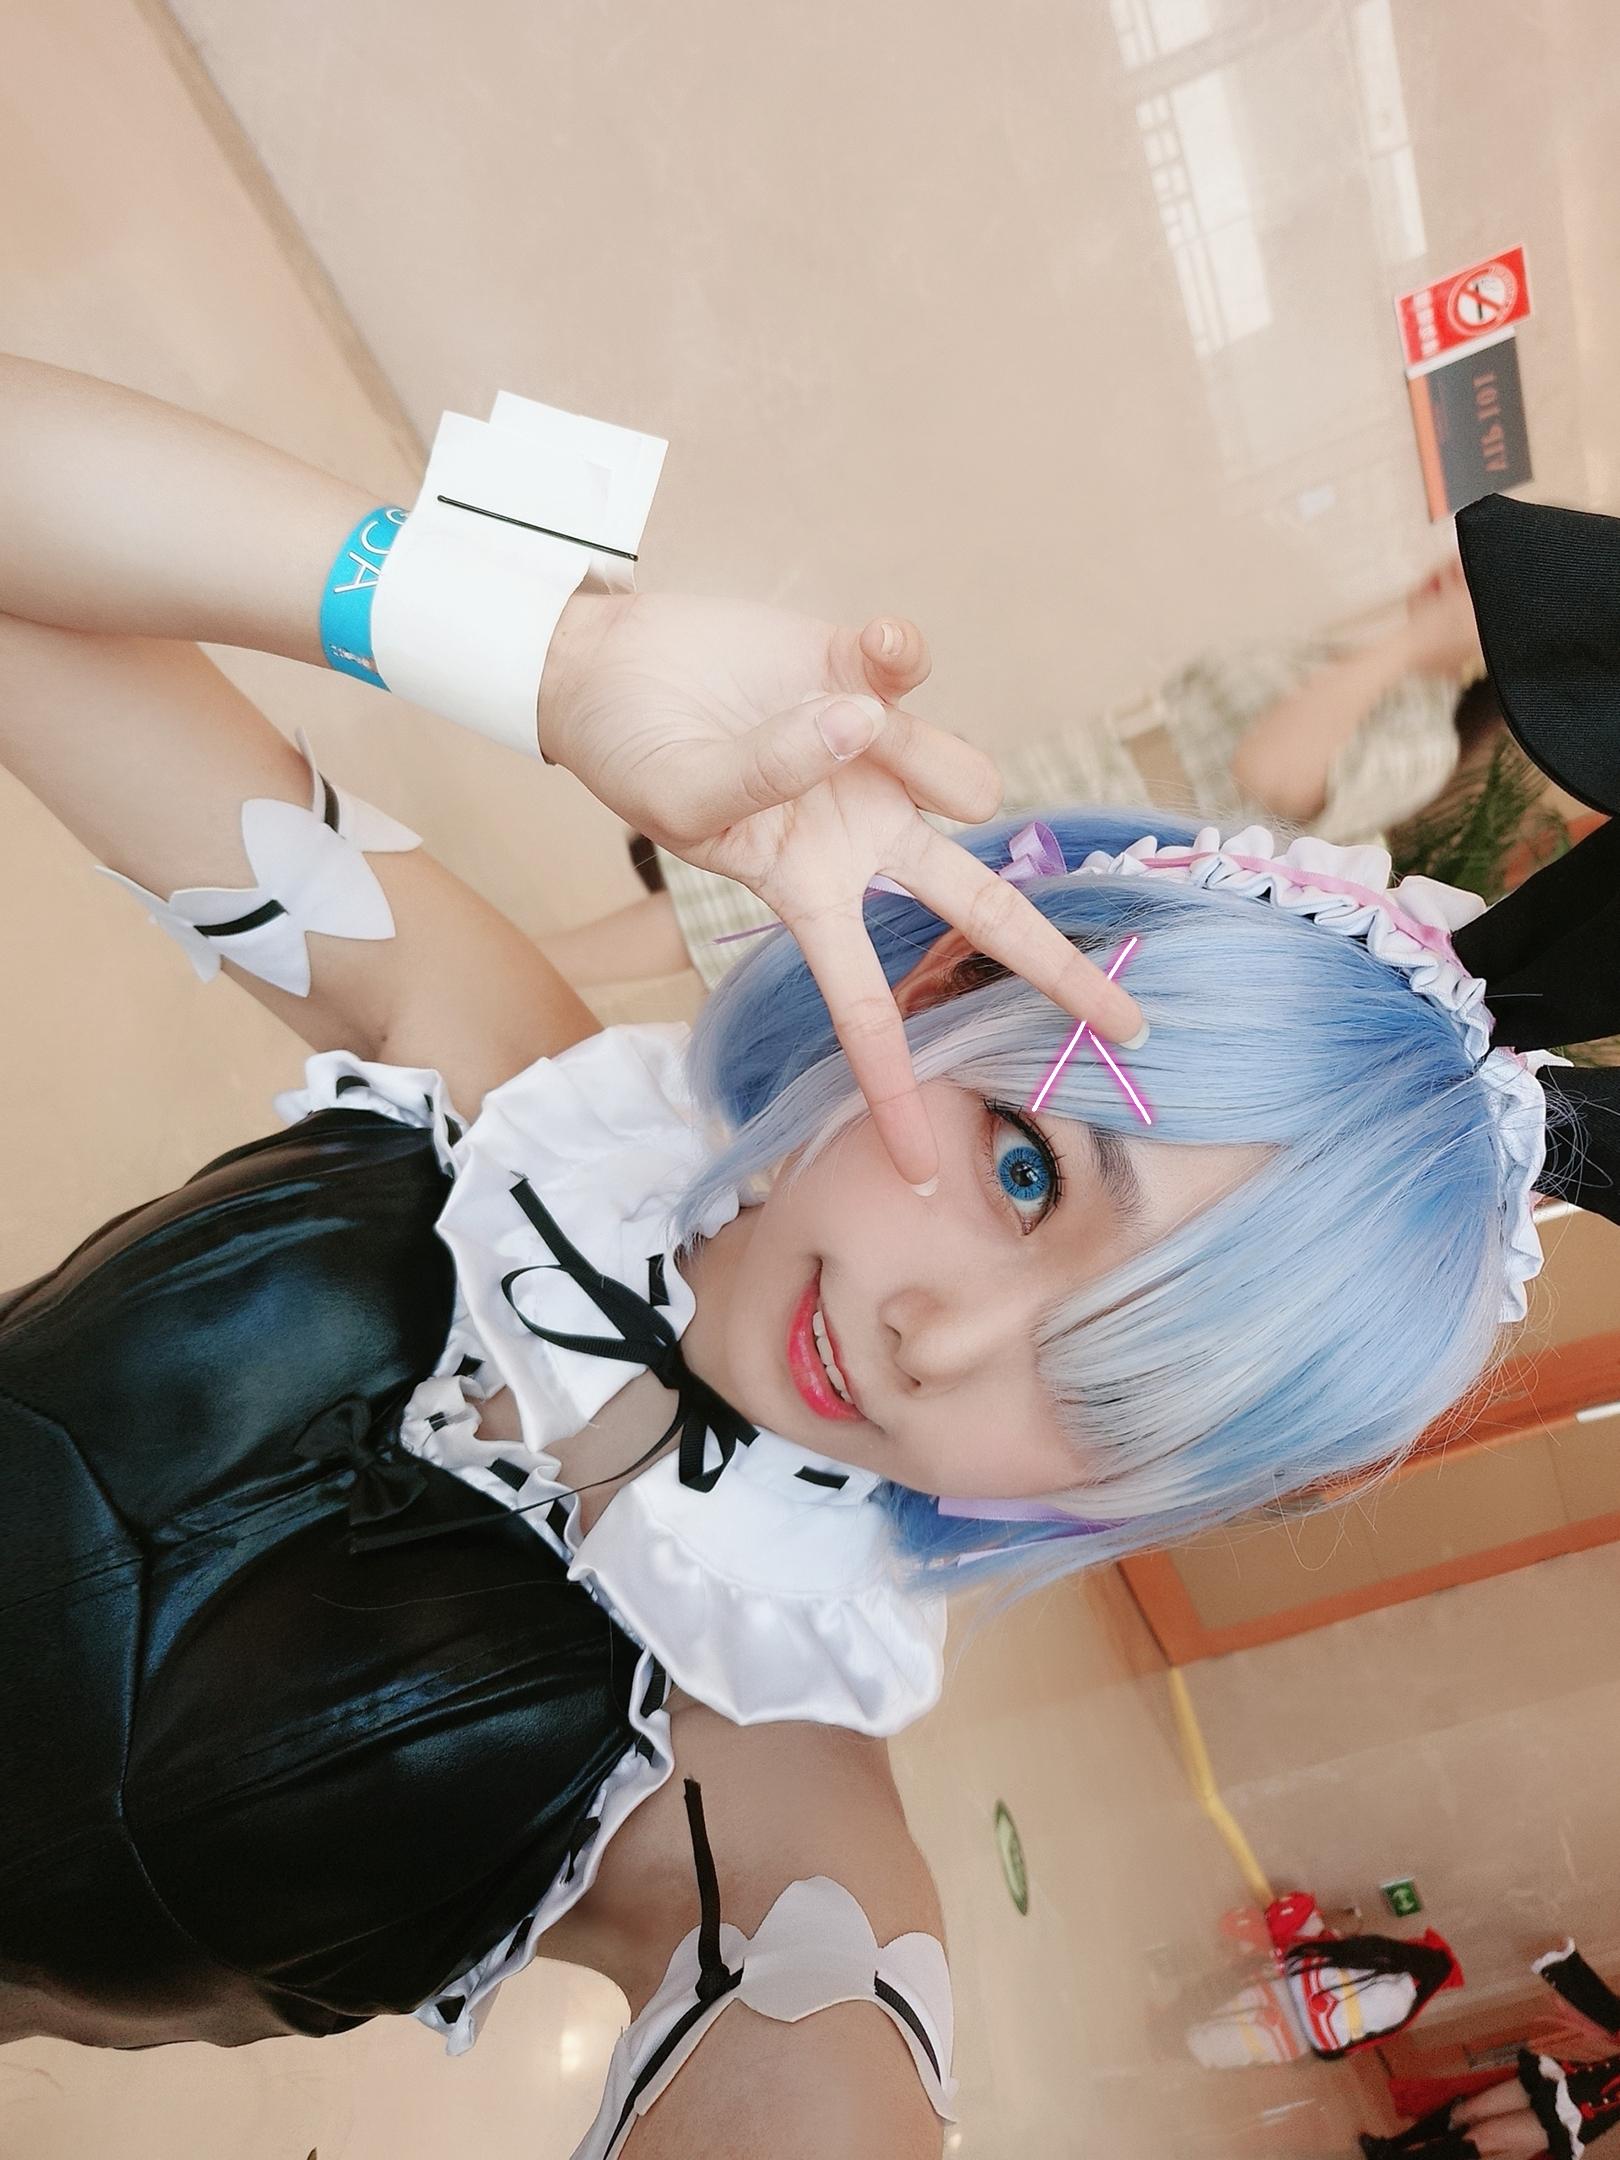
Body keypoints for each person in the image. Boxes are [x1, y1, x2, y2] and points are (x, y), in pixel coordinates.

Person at [3, 360, 1619, 2159]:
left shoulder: (753, 1786)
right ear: (945, 985)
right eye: (1027, 1171)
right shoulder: (506, 1084)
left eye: (1114, 1387)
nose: (943, 1344)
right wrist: (555, 656)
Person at [559, 562, 1503, 995]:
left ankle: (550, 964)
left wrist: (1412, 644)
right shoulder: (1372, 669)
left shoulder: (1419, 736)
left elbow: (1271, 768)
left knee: (797, 869)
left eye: (1474, 588)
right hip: (1062, 778)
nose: (1448, 576)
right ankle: (551, 958)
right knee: (792, 847)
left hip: (1072, 829)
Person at [1360, 1941, 1620, 2160]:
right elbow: (1608, 2011)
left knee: (1480, 2138)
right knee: (1467, 2111)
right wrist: (1563, 1965)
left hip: (1576, 2118)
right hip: (1561, 2082)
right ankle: (1391, 2147)